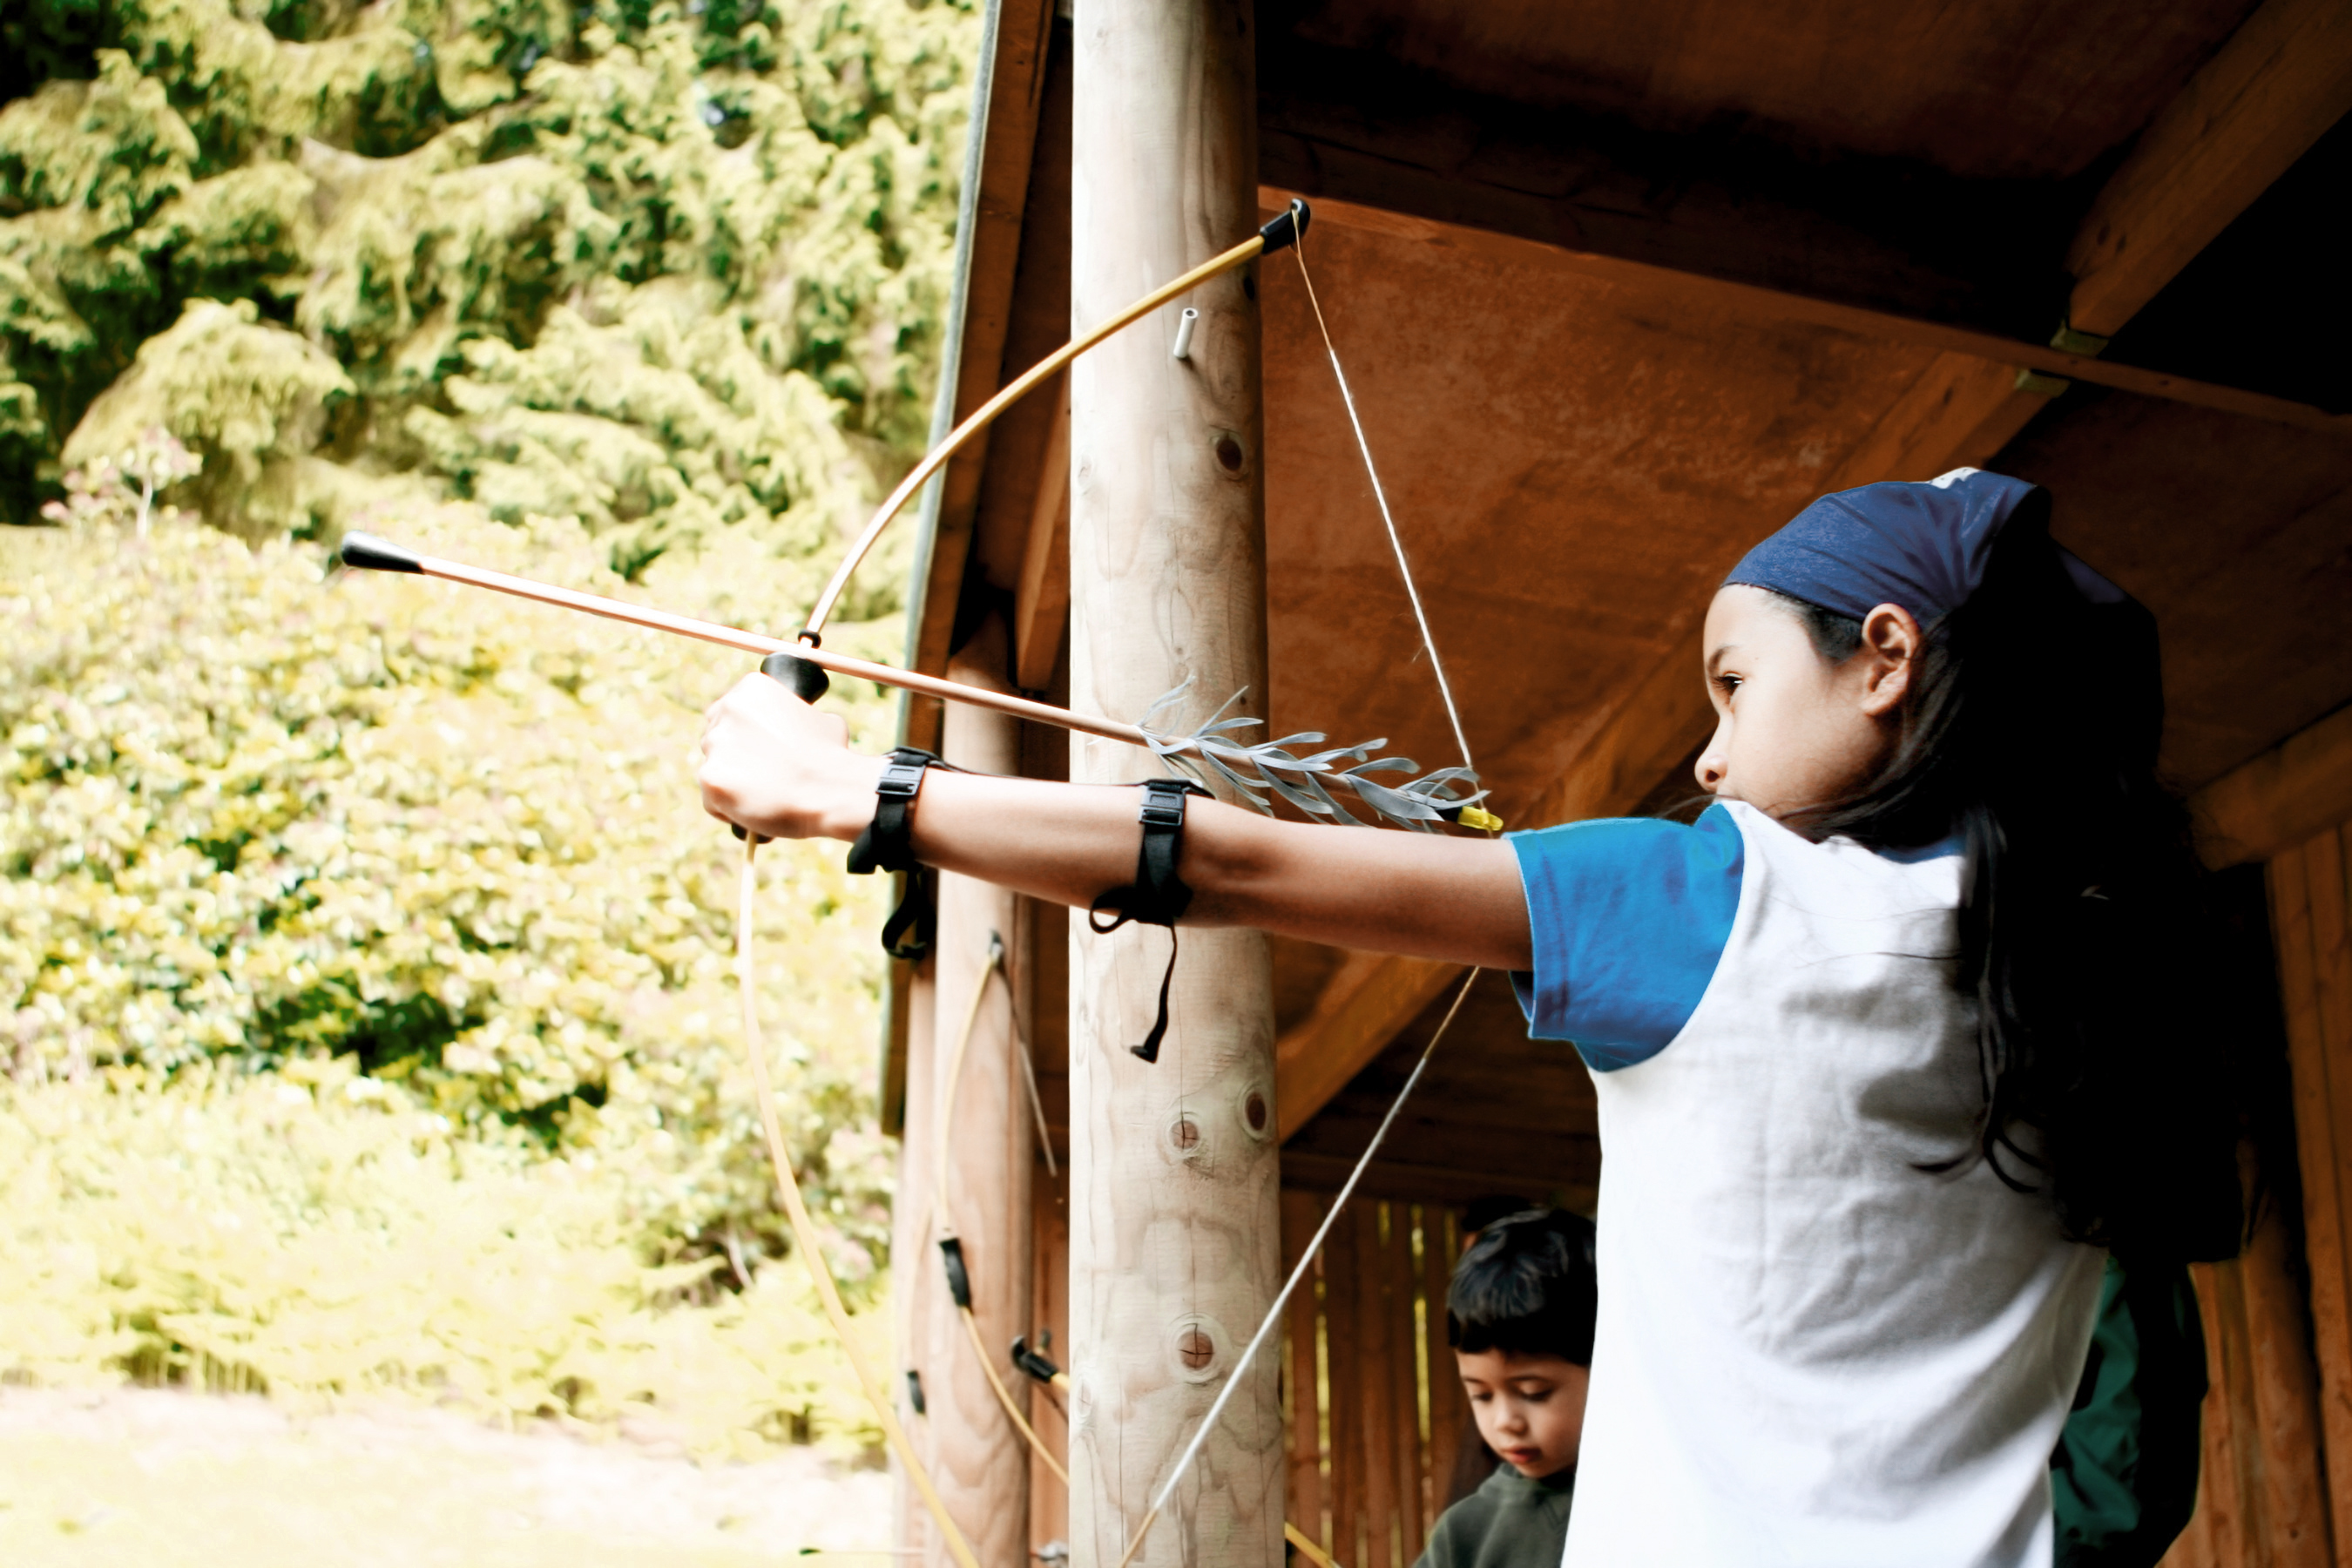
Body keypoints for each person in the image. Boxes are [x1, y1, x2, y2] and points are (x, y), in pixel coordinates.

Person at [698, 469, 2249, 1565]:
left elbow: (1225, 854)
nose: (1707, 758)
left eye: (1731, 684)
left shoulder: (1714, 900)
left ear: (1885, 660)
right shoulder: (2099, 987)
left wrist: (849, 791)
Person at [1416, 1207, 1597, 1568]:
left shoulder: (1661, 1500)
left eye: (1533, 1393)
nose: (1504, 1421)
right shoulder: (1465, 1533)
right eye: (1481, 1395)